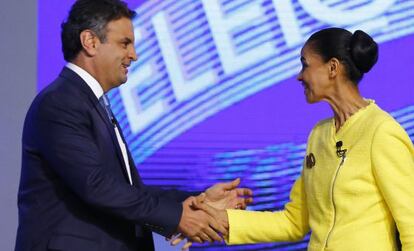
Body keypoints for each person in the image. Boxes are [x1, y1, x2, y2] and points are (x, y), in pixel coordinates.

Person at [15, 0, 252, 250]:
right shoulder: (60, 102)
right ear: (90, 42)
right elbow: (96, 186)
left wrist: (195, 201)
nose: (134, 55)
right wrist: (179, 217)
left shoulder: (89, 103)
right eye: (124, 43)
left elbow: (126, 190)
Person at [185, 27, 414, 250]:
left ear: (332, 68)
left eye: (305, 64)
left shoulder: (381, 131)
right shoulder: (319, 134)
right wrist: (220, 219)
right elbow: (294, 221)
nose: (299, 76)